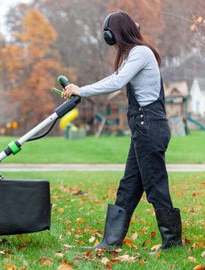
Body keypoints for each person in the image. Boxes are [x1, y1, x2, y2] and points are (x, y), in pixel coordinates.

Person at [62, 12, 182, 253]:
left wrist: (81, 90)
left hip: (149, 128)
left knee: (155, 186)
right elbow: (117, 79)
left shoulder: (141, 53)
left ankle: (172, 242)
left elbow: (116, 81)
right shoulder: (133, 55)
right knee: (128, 186)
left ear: (114, 34)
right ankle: (111, 242)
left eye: (110, 36)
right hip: (143, 129)